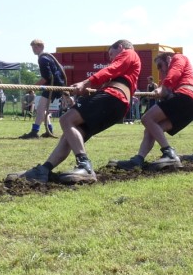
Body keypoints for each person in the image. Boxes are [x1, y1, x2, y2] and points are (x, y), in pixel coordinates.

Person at [9, 39, 140, 184]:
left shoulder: (129, 53)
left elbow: (112, 68)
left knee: (66, 119)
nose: (111, 58)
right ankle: (44, 170)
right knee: (70, 136)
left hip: (114, 97)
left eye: (111, 54)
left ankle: (85, 166)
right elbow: (113, 77)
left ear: (120, 47)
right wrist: (90, 89)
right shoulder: (129, 69)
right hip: (118, 105)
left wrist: (86, 82)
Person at [113, 51, 193, 171]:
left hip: (186, 97)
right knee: (151, 129)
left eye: (160, 65)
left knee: (147, 118)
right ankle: (138, 160)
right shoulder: (174, 73)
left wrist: (163, 87)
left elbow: (175, 72)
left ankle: (169, 153)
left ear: (168, 59)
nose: (160, 70)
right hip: (191, 105)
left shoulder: (178, 57)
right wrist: (162, 91)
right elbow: (168, 86)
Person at [21, 39, 65, 138]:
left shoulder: (43, 59)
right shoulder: (48, 57)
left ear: (41, 47)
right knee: (43, 109)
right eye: (32, 47)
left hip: (52, 85)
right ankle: (49, 130)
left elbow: (46, 77)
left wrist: (33, 87)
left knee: (40, 108)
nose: (33, 49)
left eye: (35, 47)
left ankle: (34, 131)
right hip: (56, 85)